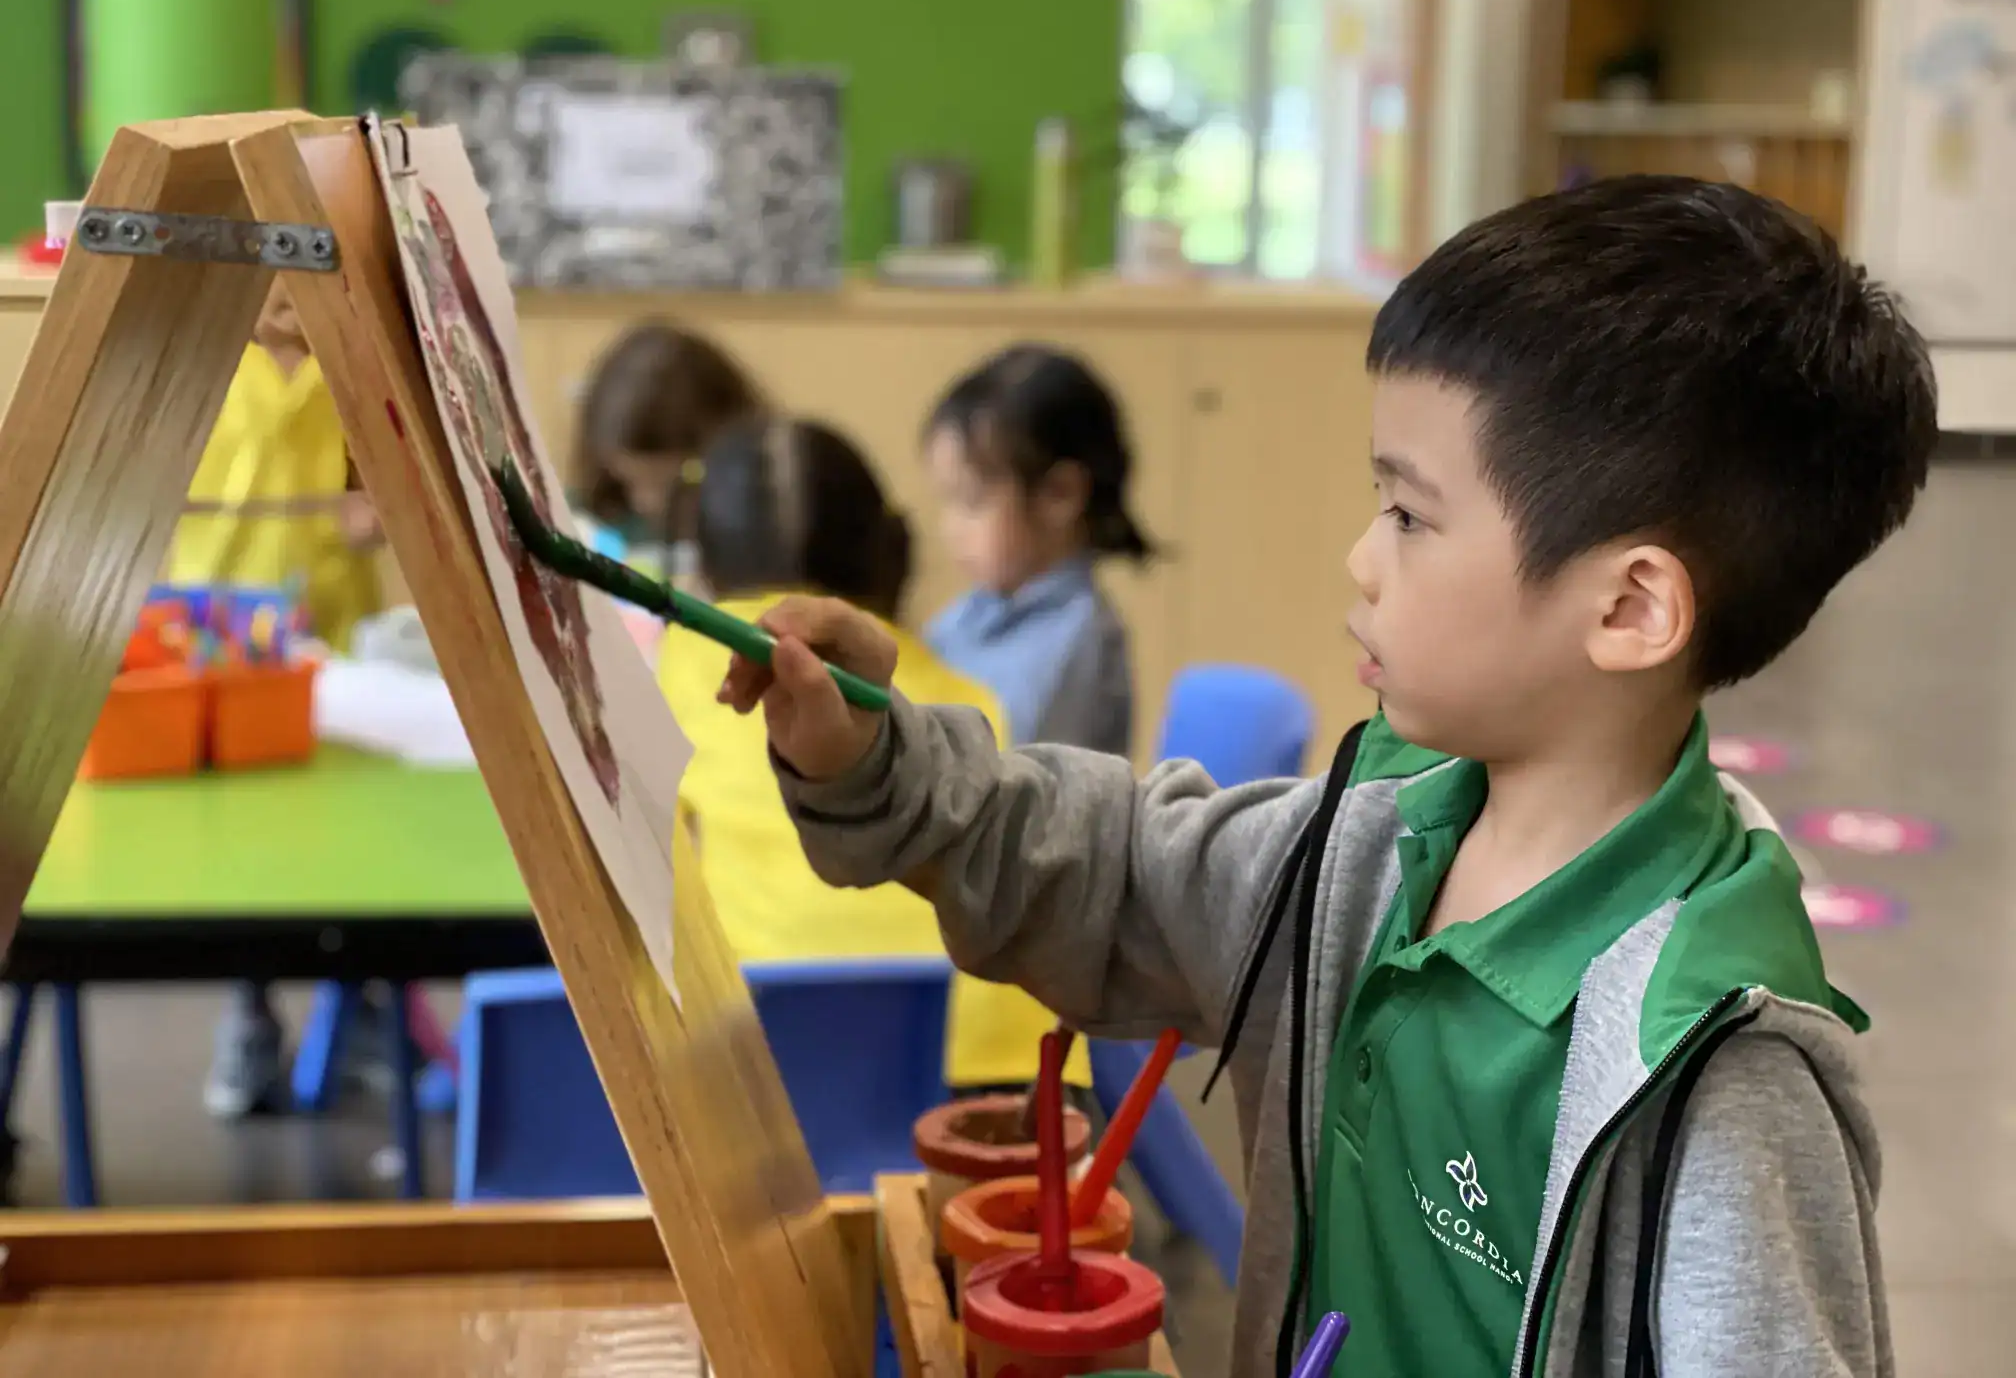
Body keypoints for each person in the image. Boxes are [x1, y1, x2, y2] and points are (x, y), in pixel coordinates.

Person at [720, 178, 1936, 1377]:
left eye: (1410, 515)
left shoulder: (1715, 1073)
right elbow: (1103, 867)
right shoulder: (1366, 843)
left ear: (1627, 606)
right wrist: (874, 756)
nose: (1361, 559)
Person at [659, 416, 1085, 1091]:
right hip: (1003, 1084)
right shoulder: (973, 701)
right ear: (886, 554)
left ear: (702, 564)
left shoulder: (678, 667)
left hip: (766, 1077)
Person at [167, 281, 383, 1118]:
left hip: (337, 625)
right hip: (219, 632)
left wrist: (377, 504)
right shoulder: (202, 353)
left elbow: (387, 467)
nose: (291, 288)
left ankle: (356, 1013)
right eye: (269, 264)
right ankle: (248, 1017)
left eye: (309, 258)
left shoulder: (354, 352)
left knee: (351, 833)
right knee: (239, 849)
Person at [922, 345, 1152, 755]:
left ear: (1059, 495)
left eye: (972, 501)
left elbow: (1019, 789)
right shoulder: (965, 616)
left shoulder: (1080, 638)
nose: (950, 527)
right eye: (947, 501)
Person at [572, 321, 765, 584]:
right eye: (627, 481)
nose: (647, 502)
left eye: (674, 484)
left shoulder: (762, 524)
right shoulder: (584, 520)